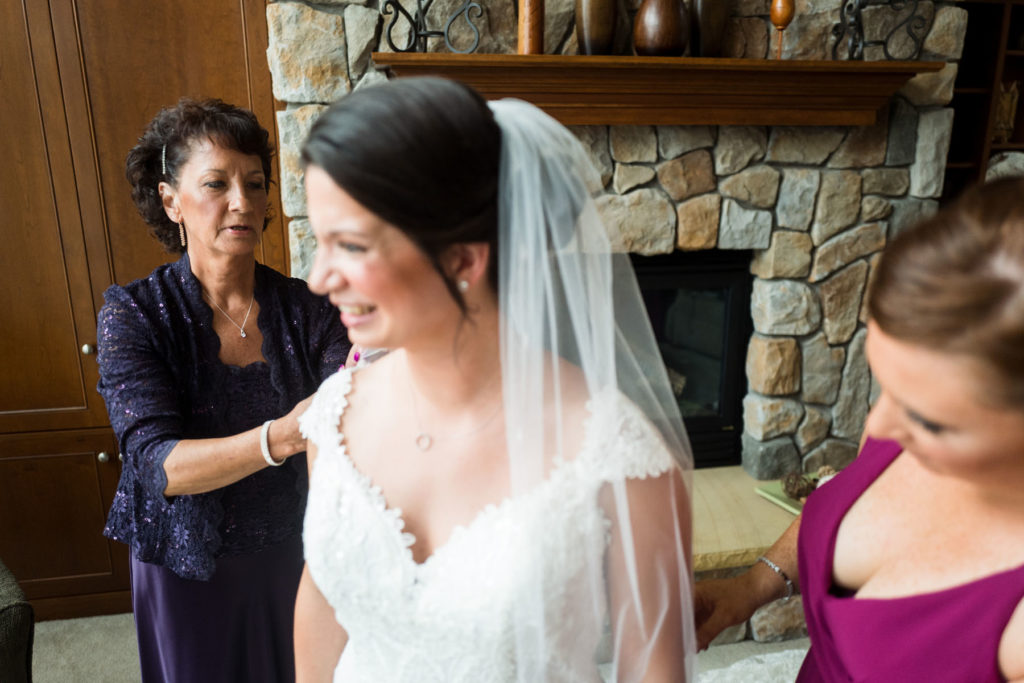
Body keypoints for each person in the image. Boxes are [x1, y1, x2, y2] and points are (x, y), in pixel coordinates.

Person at [292, 77, 697, 682]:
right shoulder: (334, 416)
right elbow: (323, 605)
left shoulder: (621, 456)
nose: (320, 278)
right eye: (319, 243)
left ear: (462, 259)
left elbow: (653, 671)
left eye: (349, 246)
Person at [695, 178, 1024, 681]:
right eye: (884, 385)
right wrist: (750, 588)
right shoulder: (902, 431)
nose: (879, 426)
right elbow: (844, 500)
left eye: (929, 419)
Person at [96, 98, 349, 682]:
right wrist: (283, 436)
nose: (242, 202)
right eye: (216, 183)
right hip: (187, 572)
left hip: (297, 560)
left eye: (255, 184)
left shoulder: (311, 310)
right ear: (170, 201)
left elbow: (353, 409)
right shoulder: (134, 315)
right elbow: (161, 467)